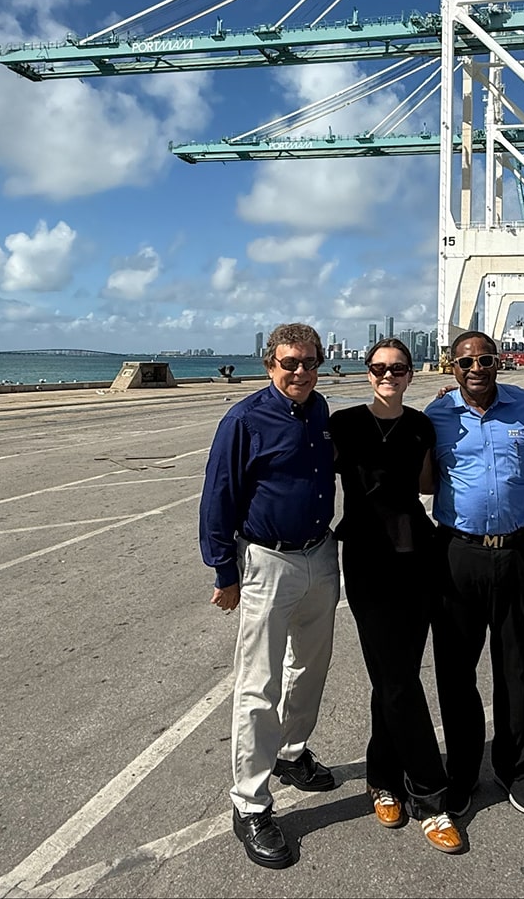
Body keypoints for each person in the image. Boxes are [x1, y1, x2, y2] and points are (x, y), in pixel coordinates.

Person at [199, 322, 341, 870]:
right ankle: (250, 802)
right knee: (259, 682)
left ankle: (291, 752)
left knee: (311, 666)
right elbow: (219, 493)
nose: (300, 371)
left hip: (320, 554)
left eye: (309, 362)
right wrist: (222, 571)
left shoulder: (322, 411)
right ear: (269, 365)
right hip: (266, 560)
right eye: (290, 363)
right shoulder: (244, 419)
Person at [329, 338, 464, 855]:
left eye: (398, 369)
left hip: (419, 556)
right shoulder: (343, 423)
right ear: (367, 374)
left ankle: (382, 776)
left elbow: (429, 484)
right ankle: (431, 796)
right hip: (368, 560)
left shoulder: (420, 425)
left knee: (397, 677)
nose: (389, 375)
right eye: (380, 368)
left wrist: (449, 406)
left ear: (410, 375)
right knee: (398, 679)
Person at [425, 330, 524, 818]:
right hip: (457, 553)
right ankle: (462, 771)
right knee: (456, 672)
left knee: (519, 666)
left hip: (518, 551)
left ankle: (513, 766)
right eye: (466, 361)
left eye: (485, 359)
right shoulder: (435, 416)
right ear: (451, 366)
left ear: (498, 363)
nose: (476, 368)